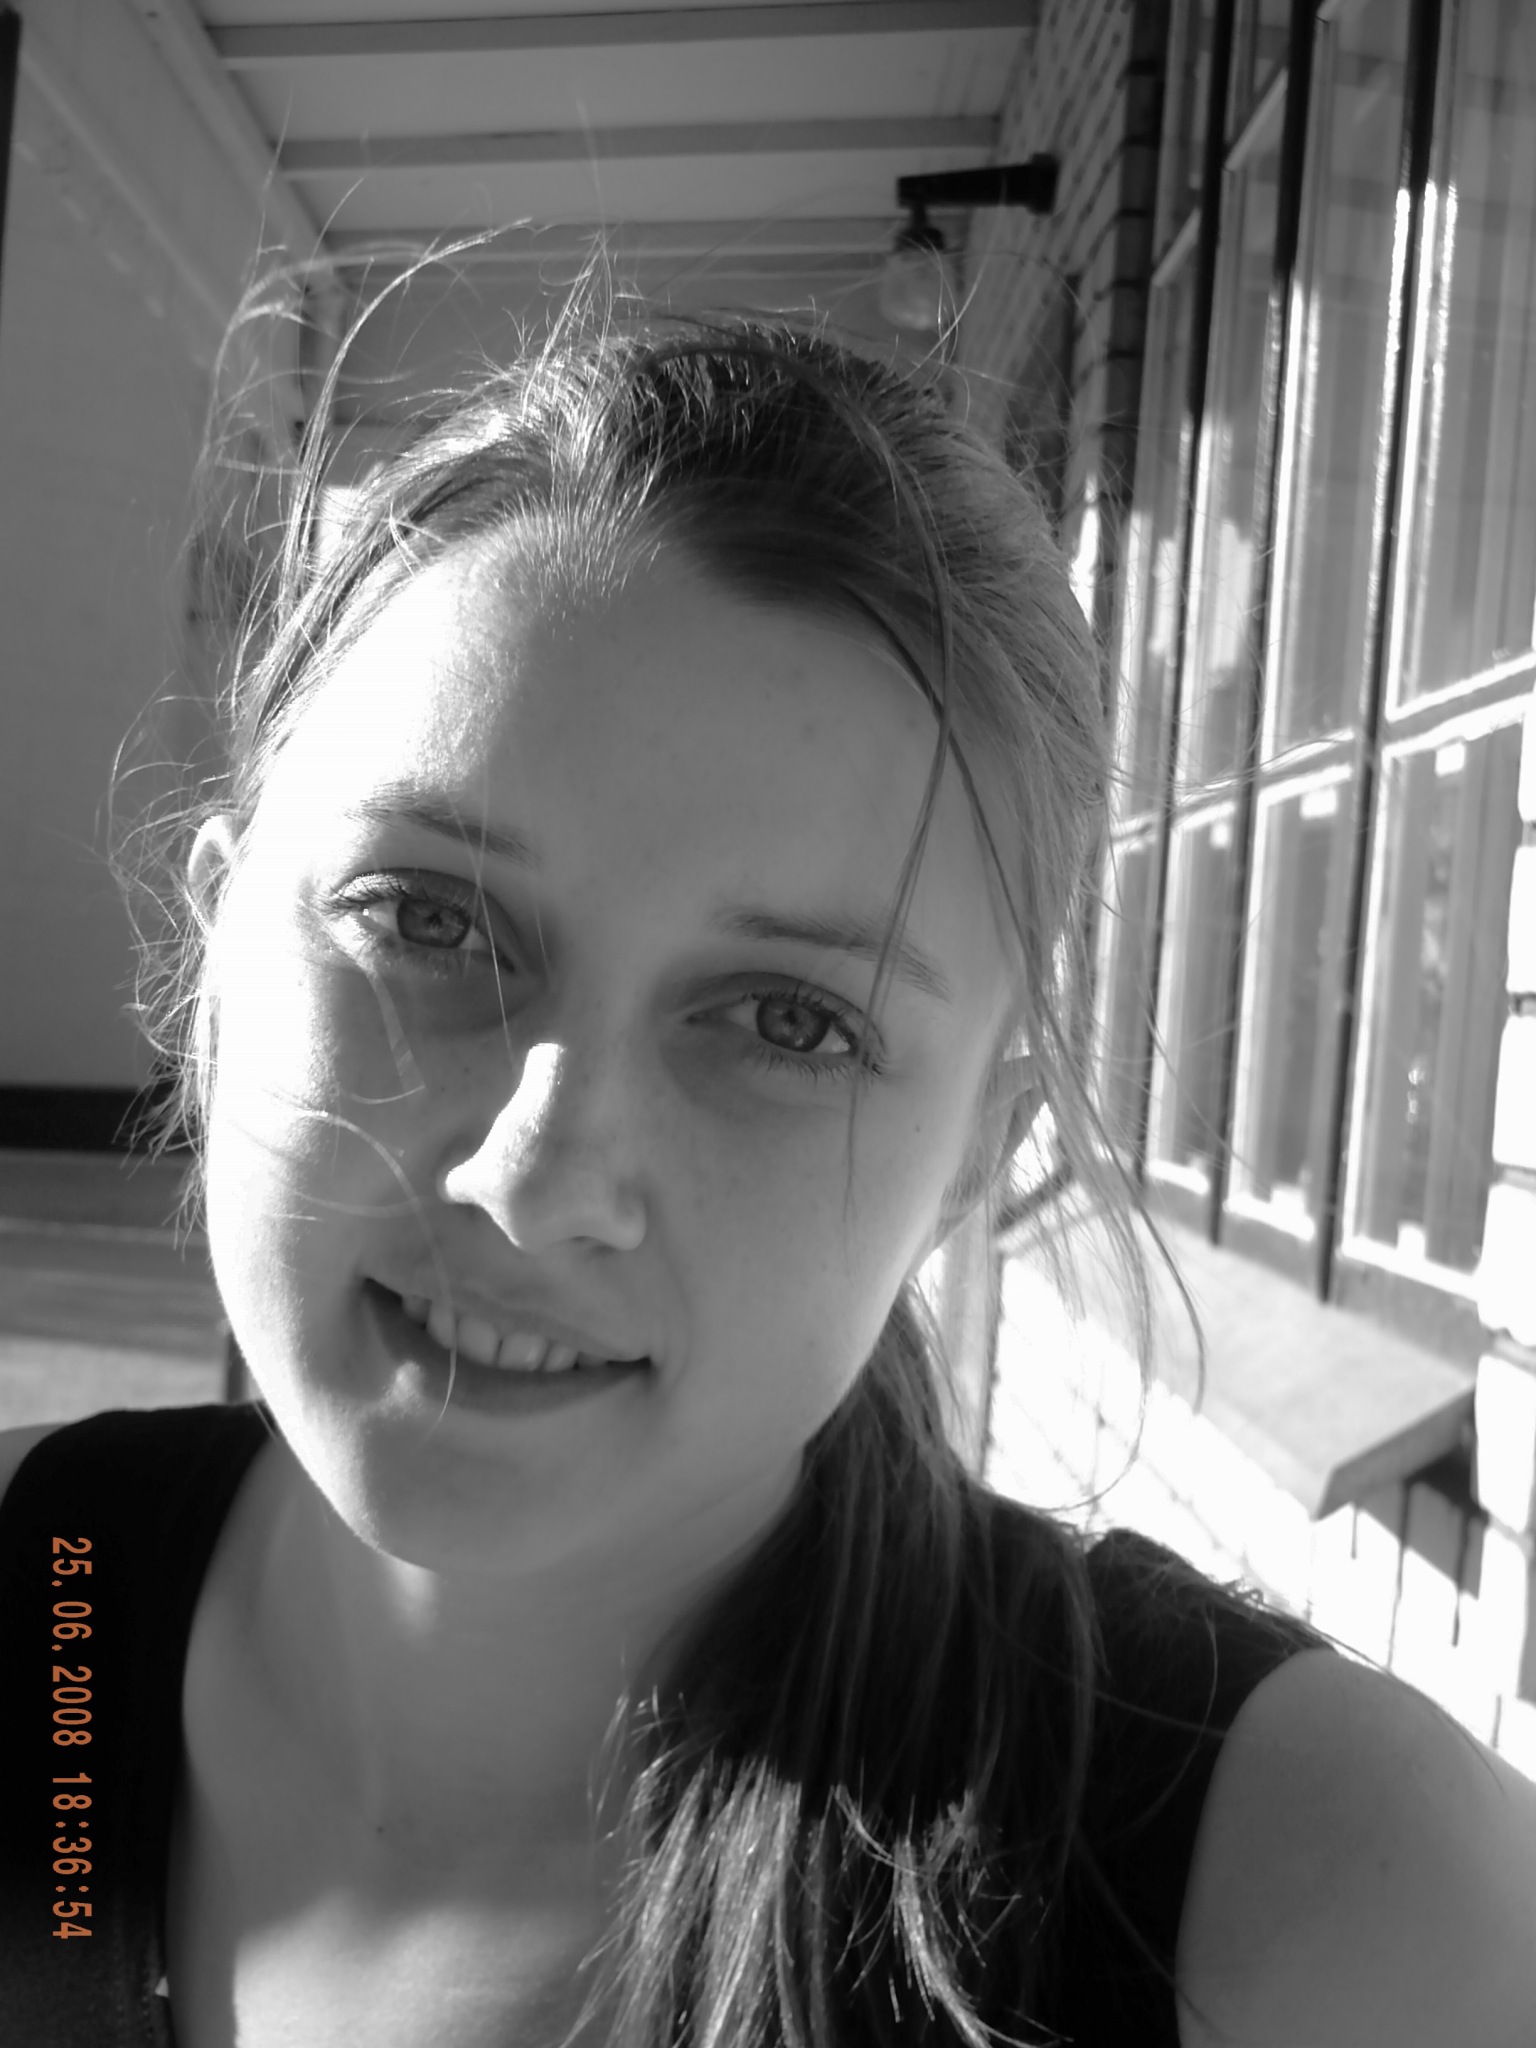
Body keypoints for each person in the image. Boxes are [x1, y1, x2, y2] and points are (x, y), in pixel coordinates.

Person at [1, 303, 1533, 2048]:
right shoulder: (39, 1597)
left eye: (790, 1022)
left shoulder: (1318, 1902)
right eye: (426, 919)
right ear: (216, 952)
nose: (539, 1179)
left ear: (972, 1159)